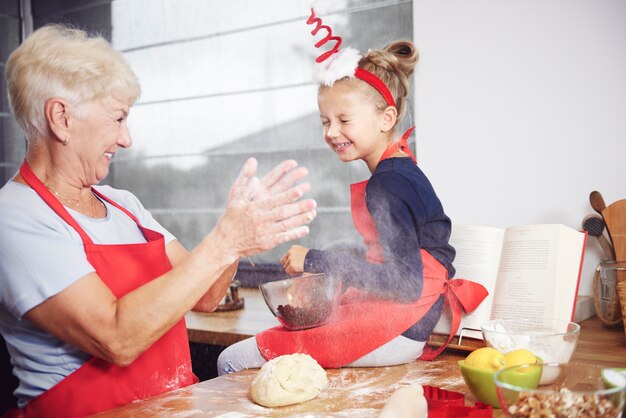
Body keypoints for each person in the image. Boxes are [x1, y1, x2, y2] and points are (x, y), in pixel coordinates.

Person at [0, 24, 317, 418]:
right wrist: (222, 241)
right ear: (61, 118)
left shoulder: (124, 205)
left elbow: (205, 296)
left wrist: (236, 243)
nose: (126, 138)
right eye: (117, 118)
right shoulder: (14, 217)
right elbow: (116, 337)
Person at [216, 9, 487, 375]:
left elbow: (404, 283)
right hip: (410, 322)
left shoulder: (387, 184)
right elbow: (393, 252)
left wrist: (315, 259)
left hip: (401, 326)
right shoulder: (400, 169)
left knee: (231, 359)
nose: (331, 132)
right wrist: (341, 253)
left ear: (386, 119)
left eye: (344, 120)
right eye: (325, 121)